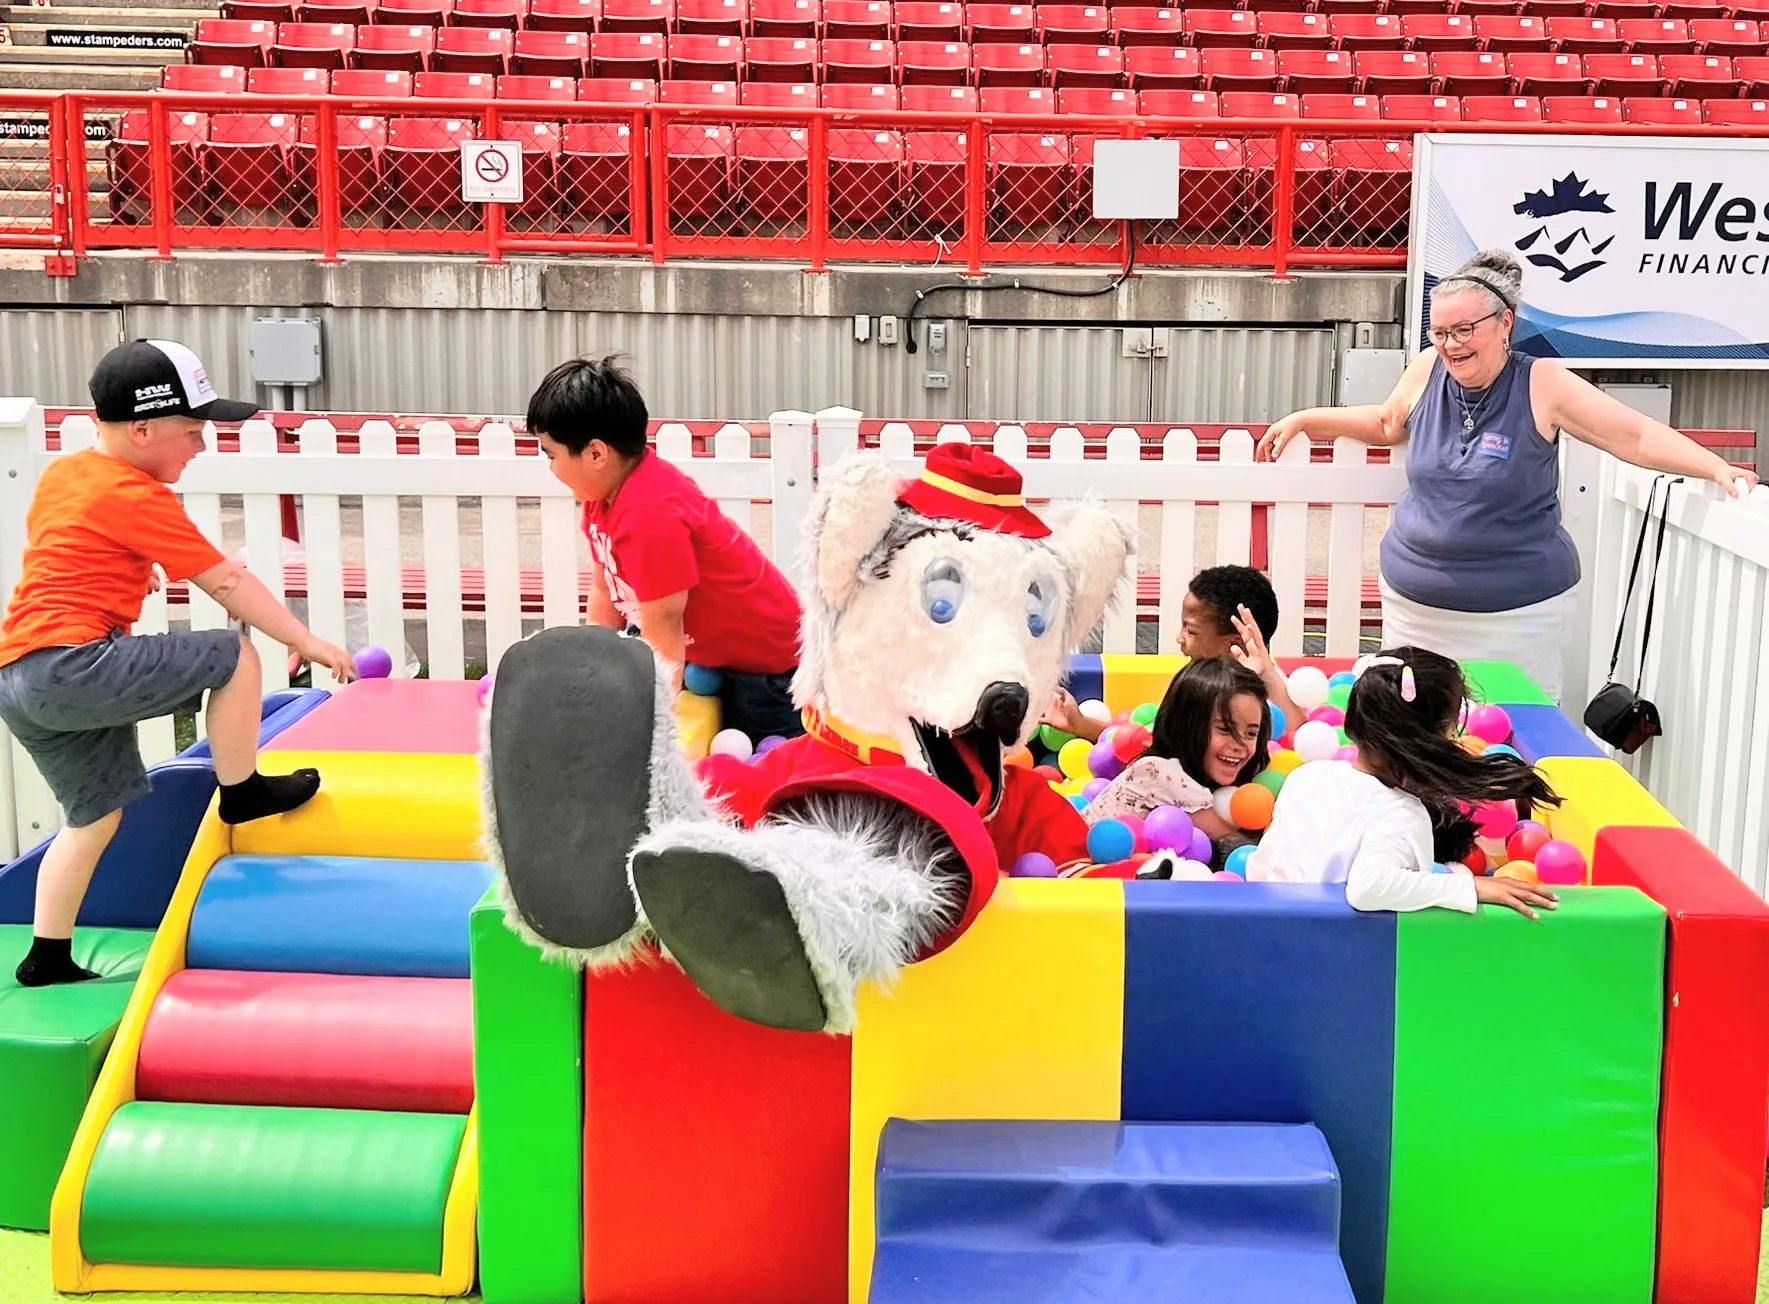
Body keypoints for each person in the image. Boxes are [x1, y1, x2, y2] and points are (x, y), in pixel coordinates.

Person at [0, 340, 354, 987]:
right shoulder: (137, 494)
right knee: (232, 653)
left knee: (93, 818)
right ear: (143, 430)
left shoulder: (68, 474)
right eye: (192, 431)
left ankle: (46, 955)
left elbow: (71, 549)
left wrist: (129, 571)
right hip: (73, 664)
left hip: (20, 676)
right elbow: (226, 583)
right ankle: (243, 790)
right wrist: (305, 640)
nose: (201, 445)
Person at [1257, 249, 1760, 703]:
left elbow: (1635, 436)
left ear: (1505, 324)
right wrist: (1306, 418)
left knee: (1510, 738)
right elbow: (1389, 422)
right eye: (1440, 332)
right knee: (1413, 731)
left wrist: (1713, 466)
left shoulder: (1542, 382)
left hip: (1518, 618)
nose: (1451, 345)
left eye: (1464, 330)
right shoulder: (1429, 367)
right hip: (1415, 608)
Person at [527, 356, 805, 742]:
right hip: (712, 658)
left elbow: (664, 623)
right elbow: (605, 590)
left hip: (766, 672)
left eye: (551, 454)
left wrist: (656, 719)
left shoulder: (650, 511)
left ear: (595, 454)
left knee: (765, 761)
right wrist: (593, 675)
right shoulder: (602, 498)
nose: (550, 467)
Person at [1247, 647, 1561, 918]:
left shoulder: (1308, 775)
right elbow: (1368, 888)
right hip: (1326, 955)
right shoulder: (1401, 812)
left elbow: (1260, 868)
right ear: (1433, 738)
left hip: (1261, 929)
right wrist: (1470, 886)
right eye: (1452, 730)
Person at [1046, 564, 1298, 741]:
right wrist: (1078, 723)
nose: (1180, 638)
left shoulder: (1268, 694)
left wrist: (1266, 672)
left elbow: (1298, 737)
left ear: (1237, 645)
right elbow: (1154, 743)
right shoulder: (1194, 685)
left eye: (1191, 630)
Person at [1083, 658, 1269, 857]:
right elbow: (1235, 845)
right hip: (1082, 868)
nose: (1239, 745)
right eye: (1224, 729)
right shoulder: (1159, 773)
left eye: (1251, 733)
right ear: (1186, 727)